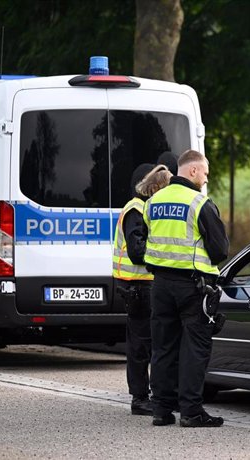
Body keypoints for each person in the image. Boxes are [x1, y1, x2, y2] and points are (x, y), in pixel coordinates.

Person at [143, 149, 229, 427]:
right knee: (195, 348)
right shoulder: (198, 203)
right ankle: (191, 412)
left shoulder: (153, 201)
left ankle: (161, 410)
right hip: (193, 287)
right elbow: (220, 250)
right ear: (192, 171)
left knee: (163, 347)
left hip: (160, 285)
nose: (206, 178)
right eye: (205, 172)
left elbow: (149, 239)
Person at [113, 163, 173, 415]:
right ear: (157, 188)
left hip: (143, 284)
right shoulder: (136, 210)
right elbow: (138, 253)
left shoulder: (144, 208)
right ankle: (139, 398)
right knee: (140, 344)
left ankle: (149, 394)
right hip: (136, 284)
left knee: (148, 341)